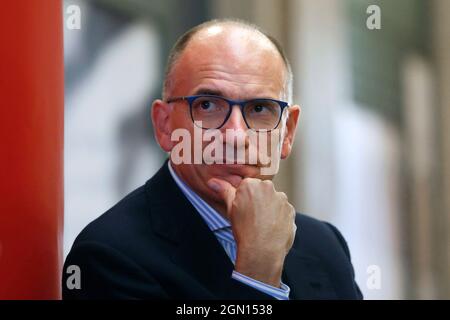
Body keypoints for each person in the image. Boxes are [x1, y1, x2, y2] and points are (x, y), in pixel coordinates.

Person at [63, 19, 362, 300]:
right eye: (207, 105)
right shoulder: (108, 256)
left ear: (287, 133)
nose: (235, 136)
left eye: (259, 109)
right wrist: (258, 276)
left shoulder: (325, 245)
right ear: (164, 125)